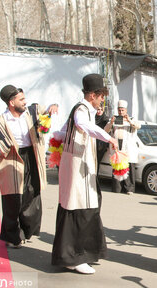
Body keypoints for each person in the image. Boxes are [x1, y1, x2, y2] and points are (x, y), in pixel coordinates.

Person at [0, 86, 58, 248]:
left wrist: (53, 106)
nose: (24, 101)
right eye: (21, 99)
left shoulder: (32, 110)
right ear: (11, 102)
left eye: (24, 98)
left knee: (32, 192)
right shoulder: (0, 122)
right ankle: (12, 236)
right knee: (12, 199)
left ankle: (26, 230)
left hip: (32, 157)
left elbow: (47, 110)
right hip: (11, 159)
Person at [51, 74, 118, 274]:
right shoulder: (81, 110)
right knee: (79, 208)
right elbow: (82, 125)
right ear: (92, 95)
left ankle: (82, 253)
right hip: (78, 168)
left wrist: (55, 136)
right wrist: (108, 138)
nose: (102, 101)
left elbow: (63, 132)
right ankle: (74, 257)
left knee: (87, 205)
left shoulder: (83, 110)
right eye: (100, 96)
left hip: (80, 167)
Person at [104, 99, 141, 194]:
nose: (121, 112)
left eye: (122, 110)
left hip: (128, 148)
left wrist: (129, 120)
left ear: (126, 110)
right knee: (117, 167)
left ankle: (129, 189)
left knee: (129, 168)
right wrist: (111, 122)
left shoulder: (132, 119)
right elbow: (106, 130)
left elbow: (138, 126)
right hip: (117, 147)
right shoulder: (113, 119)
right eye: (119, 110)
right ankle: (117, 188)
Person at [95, 104, 110, 173]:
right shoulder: (92, 118)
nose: (99, 111)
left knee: (97, 162)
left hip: (101, 144)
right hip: (93, 142)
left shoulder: (105, 120)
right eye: (98, 109)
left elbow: (108, 131)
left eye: (101, 110)